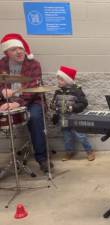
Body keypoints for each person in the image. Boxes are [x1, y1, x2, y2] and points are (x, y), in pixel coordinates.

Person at [0, 33, 53, 173]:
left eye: (20, 48)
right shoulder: (2, 64)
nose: (19, 52)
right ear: (6, 52)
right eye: (14, 49)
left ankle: (42, 158)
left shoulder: (33, 64)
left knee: (35, 118)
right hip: (7, 101)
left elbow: (33, 87)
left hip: (31, 100)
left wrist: (17, 103)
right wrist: (3, 92)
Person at [50, 66, 95, 161]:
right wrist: (53, 106)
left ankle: (89, 151)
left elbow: (84, 103)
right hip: (63, 118)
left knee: (81, 136)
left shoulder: (76, 90)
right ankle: (69, 152)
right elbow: (54, 102)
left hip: (75, 118)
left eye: (61, 79)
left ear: (68, 80)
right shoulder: (58, 91)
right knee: (67, 137)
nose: (58, 81)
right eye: (58, 79)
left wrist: (72, 107)